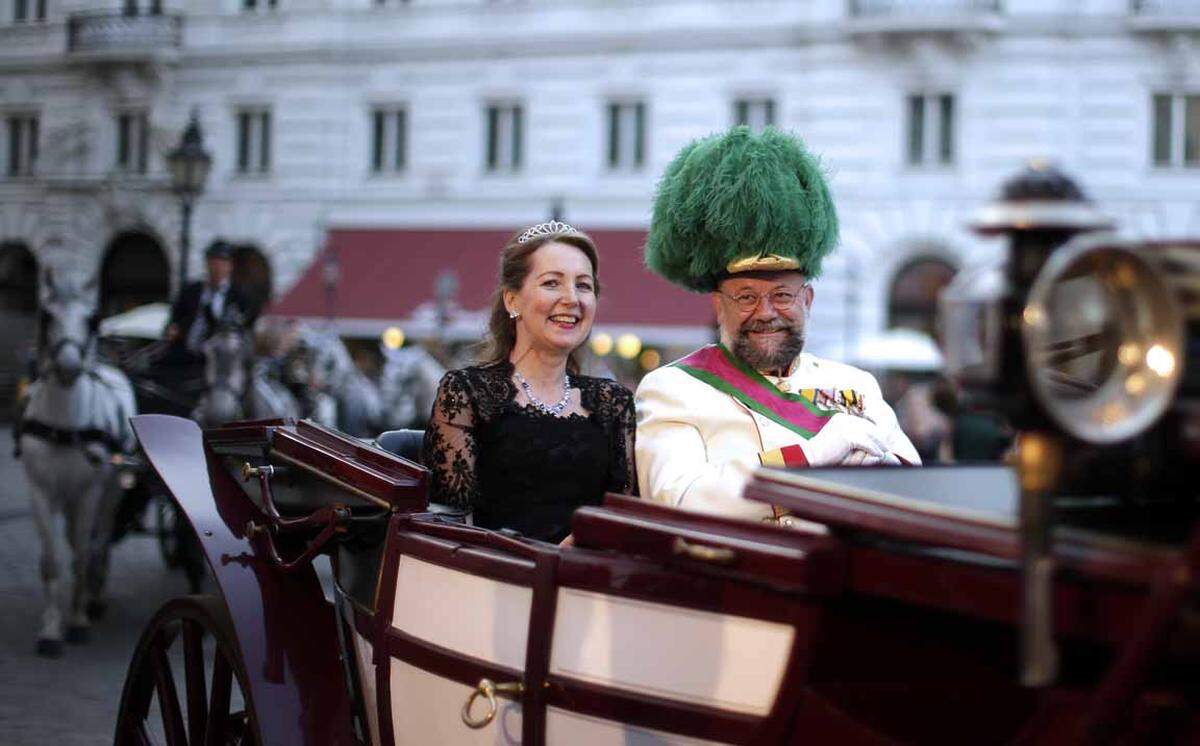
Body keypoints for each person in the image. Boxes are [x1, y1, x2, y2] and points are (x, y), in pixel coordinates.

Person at [635, 127, 920, 524]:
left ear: (807, 301)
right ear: (719, 306)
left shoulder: (858, 385)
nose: (766, 311)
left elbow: (915, 490)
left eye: (782, 296)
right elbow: (680, 501)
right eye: (747, 297)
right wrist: (814, 457)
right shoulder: (672, 389)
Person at [421, 222, 637, 544]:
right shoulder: (466, 393)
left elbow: (626, 518)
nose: (571, 299)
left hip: (587, 583)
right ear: (512, 301)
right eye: (552, 283)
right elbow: (448, 527)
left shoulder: (613, 402)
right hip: (491, 580)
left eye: (583, 285)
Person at [163, 240, 258, 364]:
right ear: (207, 264)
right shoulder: (190, 291)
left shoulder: (240, 296)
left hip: (221, 358)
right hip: (186, 354)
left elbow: (246, 329)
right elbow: (173, 321)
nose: (218, 268)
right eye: (214, 262)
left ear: (230, 266)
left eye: (223, 263)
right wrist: (172, 329)